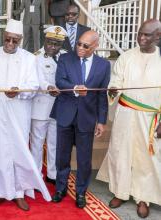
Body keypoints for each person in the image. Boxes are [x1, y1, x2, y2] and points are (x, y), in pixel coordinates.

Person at [0, 19, 51, 211]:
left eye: (14, 41)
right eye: (7, 39)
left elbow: (34, 85)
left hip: (18, 113)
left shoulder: (29, 59)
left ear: (21, 39)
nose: (10, 44)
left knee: (18, 151)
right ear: (3, 36)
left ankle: (19, 192)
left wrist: (19, 91)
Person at [96, 19, 161, 218]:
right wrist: (113, 89)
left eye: (147, 35)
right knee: (120, 153)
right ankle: (120, 192)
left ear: (158, 36)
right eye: (140, 33)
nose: (141, 38)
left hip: (150, 119)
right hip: (125, 114)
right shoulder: (126, 57)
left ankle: (143, 198)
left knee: (146, 158)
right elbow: (115, 80)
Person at [51, 30, 110, 208]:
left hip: (87, 116)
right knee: (62, 155)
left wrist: (101, 120)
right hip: (65, 114)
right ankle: (60, 188)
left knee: (84, 159)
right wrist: (75, 87)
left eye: (85, 46)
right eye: (78, 43)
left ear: (95, 46)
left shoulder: (103, 65)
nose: (80, 48)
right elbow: (60, 81)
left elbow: (102, 95)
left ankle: (81, 192)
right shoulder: (65, 59)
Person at [31, 25, 67, 186]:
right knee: (37, 143)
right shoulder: (36, 57)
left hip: (60, 107)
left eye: (57, 44)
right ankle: (36, 174)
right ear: (44, 40)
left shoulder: (66, 57)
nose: (53, 47)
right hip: (41, 106)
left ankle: (52, 174)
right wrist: (48, 88)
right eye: (50, 42)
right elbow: (37, 79)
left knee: (54, 142)